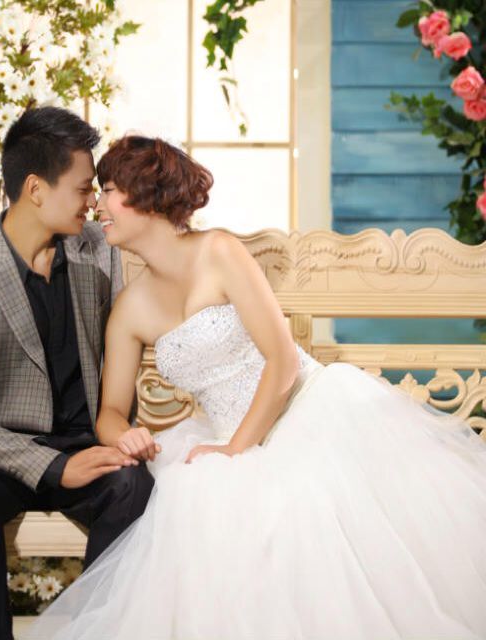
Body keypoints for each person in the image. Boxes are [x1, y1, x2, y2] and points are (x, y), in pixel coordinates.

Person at [25, 135, 486, 640]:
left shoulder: (219, 251)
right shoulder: (130, 308)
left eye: (109, 190)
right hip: (223, 434)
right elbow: (111, 412)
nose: (97, 204)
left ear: (145, 195)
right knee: (194, 495)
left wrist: (234, 451)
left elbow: (282, 361)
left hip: (308, 412)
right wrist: (124, 435)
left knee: (287, 500)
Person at [0, 109, 154, 640]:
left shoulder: (99, 251)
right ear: (35, 188)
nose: (93, 202)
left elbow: (121, 357)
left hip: (86, 445)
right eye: (83, 188)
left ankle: (85, 634)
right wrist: (54, 467)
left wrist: (112, 436)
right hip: (5, 456)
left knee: (133, 485)